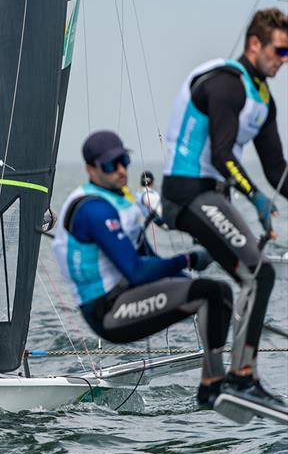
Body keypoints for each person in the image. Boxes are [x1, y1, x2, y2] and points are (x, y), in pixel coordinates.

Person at [161, 8, 288, 402]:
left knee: (226, 287)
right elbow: (221, 154)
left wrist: (263, 193)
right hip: (185, 193)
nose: (284, 61)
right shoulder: (226, 85)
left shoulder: (263, 101)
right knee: (259, 274)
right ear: (255, 44)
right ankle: (243, 376)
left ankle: (212, 383)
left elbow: (277, 169)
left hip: (212, 196)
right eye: (280, 51)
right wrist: (255, 197)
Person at [53, 131, 233, 408]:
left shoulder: (123, 202)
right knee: (208, 292)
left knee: (220, 292)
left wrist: (183, 277)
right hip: (108, 313)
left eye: (124, 160)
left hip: (129, 295)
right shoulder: (92, 209)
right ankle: (214, 388)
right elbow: (136, 271)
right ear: (91, 169)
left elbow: (147, 257)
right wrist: (189, 260)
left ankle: (220, 382)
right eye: (111, 165)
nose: (121, 169)